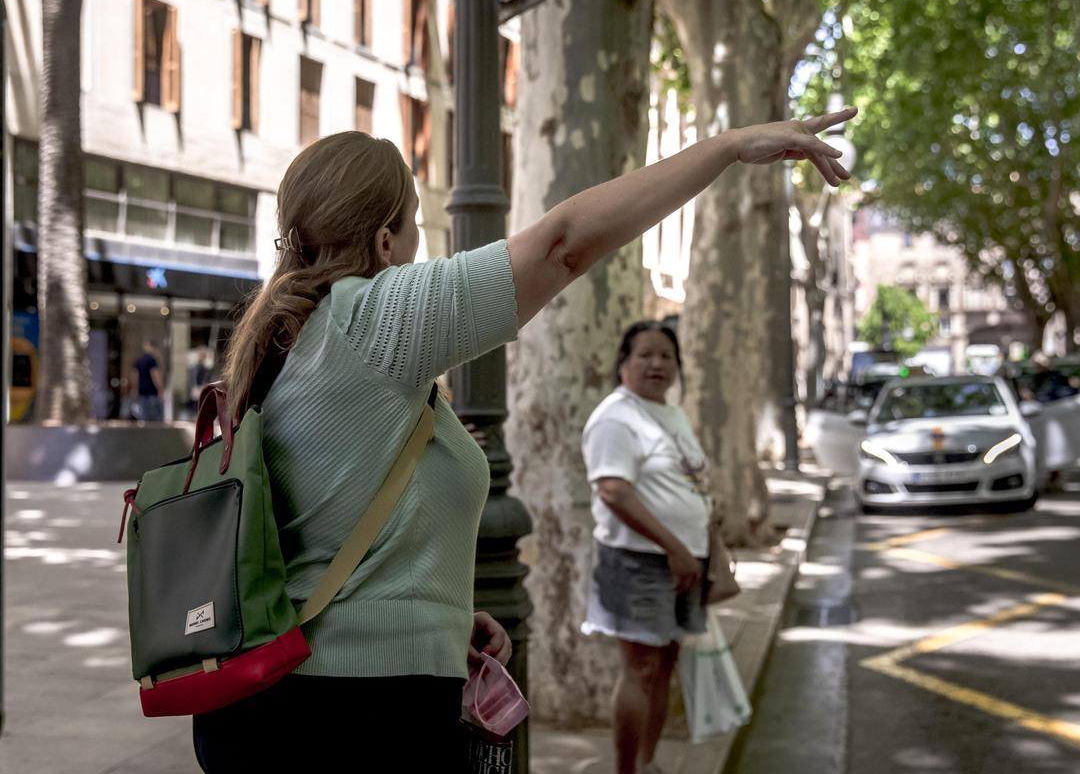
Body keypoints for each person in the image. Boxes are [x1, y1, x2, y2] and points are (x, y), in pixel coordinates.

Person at [195, 107, 855, 770]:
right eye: (414, 219)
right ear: (384, 241)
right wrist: (731, 146)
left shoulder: (284, 339)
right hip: (365, 712)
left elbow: (327, 525)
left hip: (303, 698)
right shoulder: (368, 316)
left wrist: (444, 613)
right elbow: (563, 245)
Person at [582, 321, 712, 774]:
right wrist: (675, 547)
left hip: (685, 561)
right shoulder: (616, 417)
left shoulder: (671, 414)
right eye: (646, 355)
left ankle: (648, 761)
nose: (657, 363)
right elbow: (614, 491)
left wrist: (710, 542)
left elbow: (692, 483)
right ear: (623, 364)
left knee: (665, 667)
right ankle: (625, 770)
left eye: (667, 356)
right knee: (640, 670)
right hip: (637, 562)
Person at [130, 341, 164, 422]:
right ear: (154, 348)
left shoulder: (139, 360)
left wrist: (135, 389)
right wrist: (160, 389)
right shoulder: (152, 360)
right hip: (152, 392)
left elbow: (134, 376)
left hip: (141, 392)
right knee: (155, 419)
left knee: (143, 418)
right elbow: (155, 375)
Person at [185, 347, 214, 416]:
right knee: (195, 406)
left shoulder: (206, 369)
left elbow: (207, 379)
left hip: (201, 388)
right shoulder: (194, 368)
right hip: (195, 389)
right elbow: (192, 379)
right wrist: (194, 388)